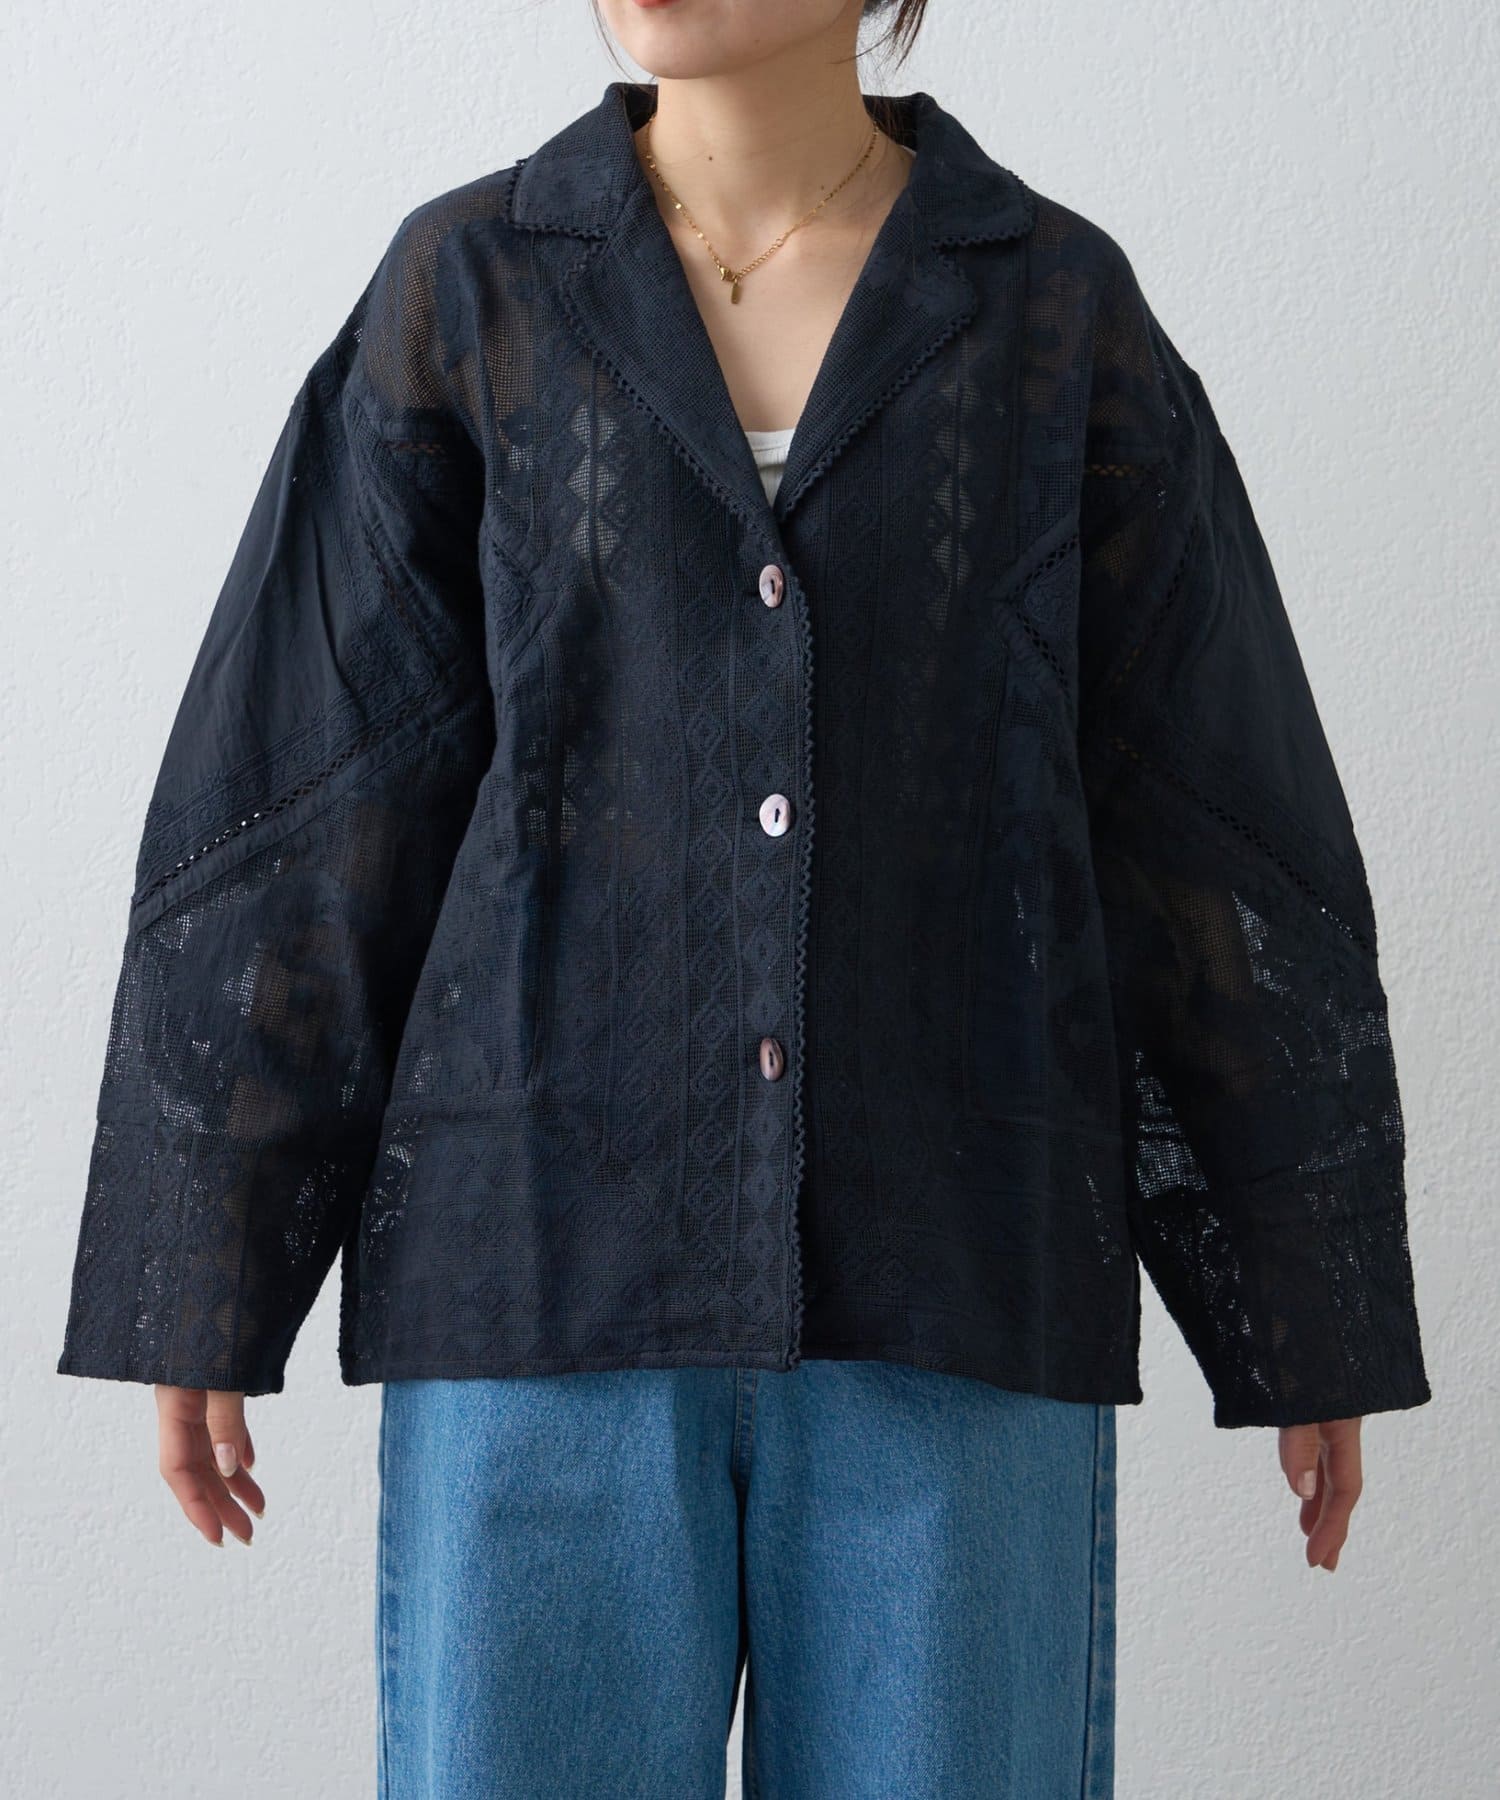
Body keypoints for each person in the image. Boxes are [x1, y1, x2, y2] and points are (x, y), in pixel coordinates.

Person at [55, 2, 1433, 1794]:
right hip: (538, 1287)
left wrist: (1302, 1290)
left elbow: (1204, 808)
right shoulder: (470, 290)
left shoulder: (1053, 308)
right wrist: (206, 1264)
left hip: (958, 1289)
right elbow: (317, 785)